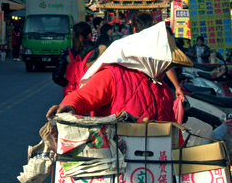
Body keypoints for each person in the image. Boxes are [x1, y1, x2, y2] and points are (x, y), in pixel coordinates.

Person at [47, 12, 188, 121]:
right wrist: (70, 106)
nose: (166, 68)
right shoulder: (114, 75)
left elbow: (172, 131)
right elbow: (85, 96)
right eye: (165, 63)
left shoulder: (164, 90)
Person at [53, 22, 104, 95]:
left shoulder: (67, 53)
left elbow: (56, 77)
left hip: (72, 95)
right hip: (92, 93)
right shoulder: (98, 52)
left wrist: (71, 84)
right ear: (90, 35)